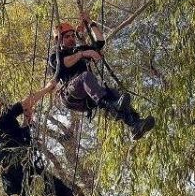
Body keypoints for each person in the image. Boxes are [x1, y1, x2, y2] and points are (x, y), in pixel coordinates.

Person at [49, 12, 155, 140]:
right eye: (67, 37)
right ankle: (110, 106)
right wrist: (83, 54)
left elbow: (99, 42)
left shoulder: (79, 49)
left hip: (88, 97)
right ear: (59, 40)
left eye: (72, 36)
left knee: (114, 93)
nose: (71, 38)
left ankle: (135, 125)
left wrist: (90, 23)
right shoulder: (55, 56)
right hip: (70, 94)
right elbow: (64, 64)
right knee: (85, 76)